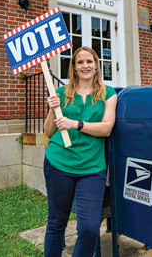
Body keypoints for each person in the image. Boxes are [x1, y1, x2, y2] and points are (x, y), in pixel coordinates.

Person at [43, 46, 117, 257]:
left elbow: (106, 128)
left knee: (90, 229)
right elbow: (48, 132)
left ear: (96, 65)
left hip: (92, 168)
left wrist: (75, 124)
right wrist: (52, 109)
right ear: (74, 68)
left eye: (89, 61)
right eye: (80, 62)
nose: (85, 66)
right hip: (59, 164)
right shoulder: (61, 93)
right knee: (57, 224)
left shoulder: (107, 94)